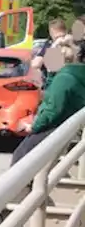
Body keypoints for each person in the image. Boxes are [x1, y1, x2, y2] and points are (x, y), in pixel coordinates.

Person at [12, 38, 85, 166]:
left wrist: (33, 127)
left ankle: (25, 186)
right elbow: (53, 91)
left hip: (55, 127)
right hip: (68, 126)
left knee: (21, 157)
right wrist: (51, 75)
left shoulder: (64, 78)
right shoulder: (72, 75)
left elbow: (53, 110)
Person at [30, 19, 69, 83]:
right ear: (51, 35)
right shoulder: (49, 45)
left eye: (62, 36)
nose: (60, 40)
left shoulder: (72, 43)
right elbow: (36, 64)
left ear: (66, 32)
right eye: (57, 37)